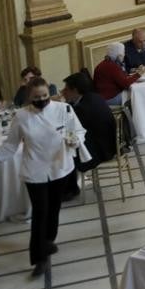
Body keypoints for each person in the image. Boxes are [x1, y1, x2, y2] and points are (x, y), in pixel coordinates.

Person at [0, 76, 89, 277]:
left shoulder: (63, 110)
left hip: (60, 168)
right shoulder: (21, 117)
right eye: (37, 97)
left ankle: (48, 241)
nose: (42, 99)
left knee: (54, 208)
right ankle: (39, 258)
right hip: (35, 171)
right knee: (40, 212)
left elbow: (78, 131)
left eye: (44, 95)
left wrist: (75, 140)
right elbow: (10, 145)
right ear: (29, 97)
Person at [60, 70, 116, 199]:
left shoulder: (84, 107)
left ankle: (70, 190)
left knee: (67, 150)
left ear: (75, 90)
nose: (63, 92)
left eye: (66, 89)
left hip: (102, 150)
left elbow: (70, 125)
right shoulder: (92, 97)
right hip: (107, 143)